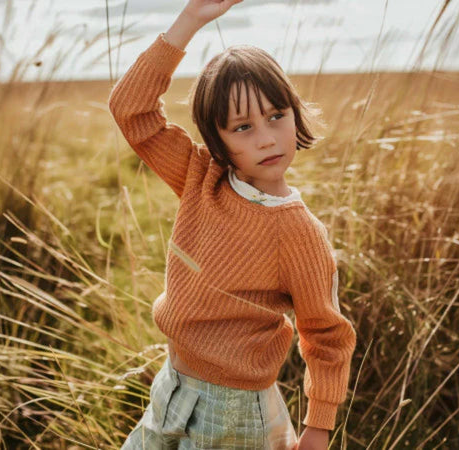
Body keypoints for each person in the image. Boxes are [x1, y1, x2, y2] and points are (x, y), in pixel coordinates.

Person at [109, 1, 357, 448]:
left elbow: (326, 334)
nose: (266, 138)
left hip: (233, 412)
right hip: (171, 386)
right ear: (216, 139)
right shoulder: (201, 178)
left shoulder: (298, 232)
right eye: (242, 127)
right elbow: (131, 110)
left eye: (276, 116)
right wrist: (191, 19)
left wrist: (318, 427)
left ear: (295, 114)